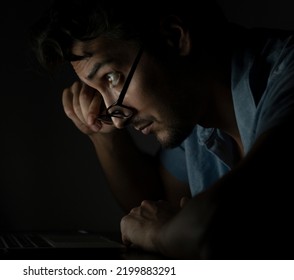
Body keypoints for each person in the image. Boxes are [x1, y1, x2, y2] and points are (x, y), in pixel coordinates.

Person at [29, 0, 294, 259]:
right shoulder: (192, 110)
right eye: (98, 89)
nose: (118, 119)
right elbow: (154, 206)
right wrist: (100, 132)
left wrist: (160, 234)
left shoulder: (286, 76)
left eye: (112, 77)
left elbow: (209, 230)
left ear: (174, 37)